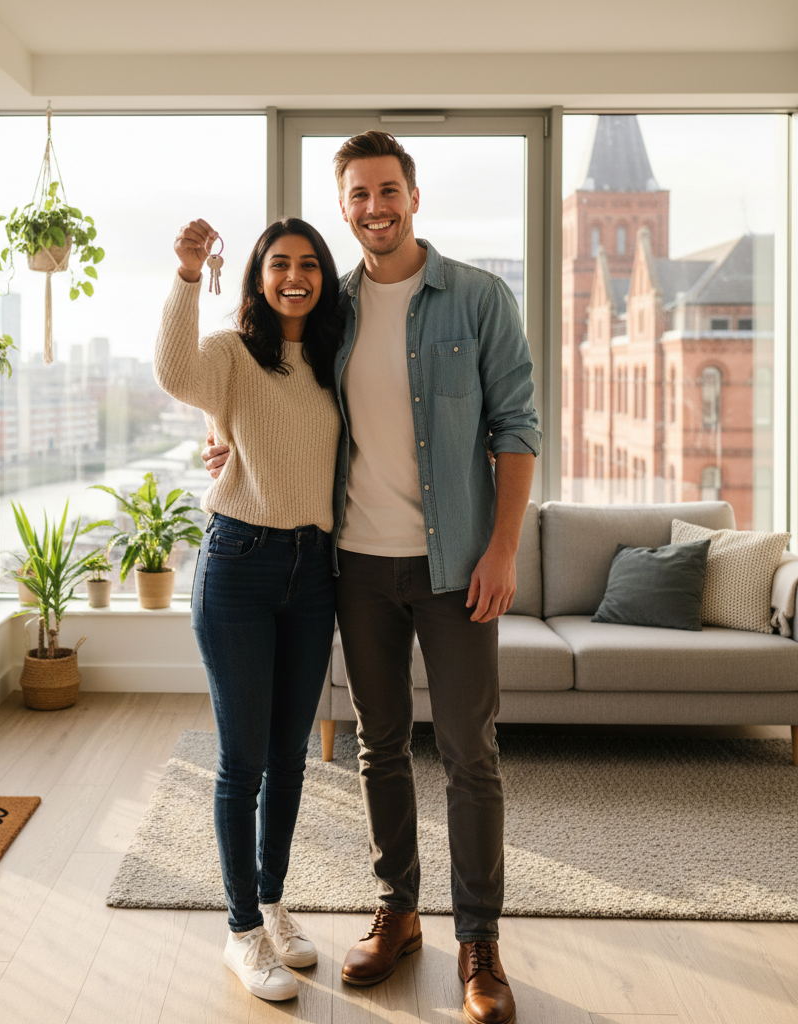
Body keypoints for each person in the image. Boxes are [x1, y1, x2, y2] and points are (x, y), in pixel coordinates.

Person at [202, 131, 541, 1024]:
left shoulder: (477, 298)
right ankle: (399, 910)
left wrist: (504, 549)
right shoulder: (334, 311)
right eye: (357, 195)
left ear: (414, 197)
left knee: (470, 755)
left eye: (387, 190)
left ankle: (480, 943)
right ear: (344, 205)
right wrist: (228, 438)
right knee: (379, 747)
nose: (374, 208)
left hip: (458, 566)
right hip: (350, 563)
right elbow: (281, 401)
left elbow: (517, 428)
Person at [154, 216, 343, 1002]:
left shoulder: (337, 359)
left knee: (292, 755)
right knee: (244, 762)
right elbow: (173, 373)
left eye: (307, 265)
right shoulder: (232, 355)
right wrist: (188, 273)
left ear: (324, 278)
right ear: (259, 277)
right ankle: (240, 932)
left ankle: (272, 902)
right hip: (238, 562)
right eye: (279, 265)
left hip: (315, 570)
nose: (294, 276)